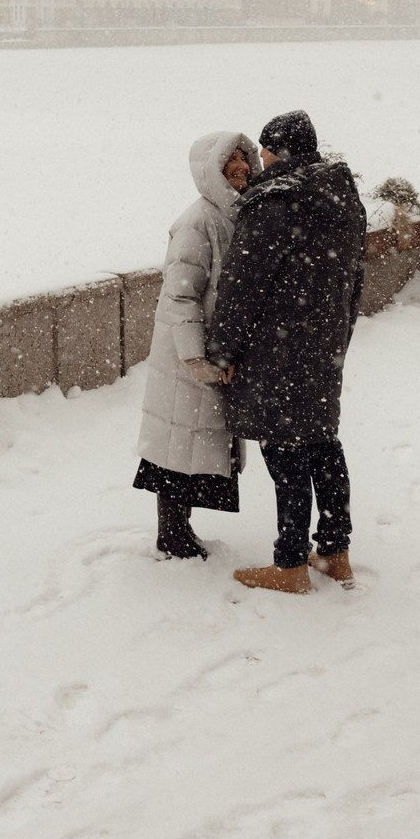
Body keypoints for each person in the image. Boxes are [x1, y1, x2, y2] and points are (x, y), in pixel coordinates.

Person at [206, 109, 368, 595]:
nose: (259, 159)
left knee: (285, 452)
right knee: (322, 444)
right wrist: (338, 336)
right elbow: (355, 280)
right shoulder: (344, 199)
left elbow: (242, 286)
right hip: (323, 346)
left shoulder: (275, 202)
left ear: (279, 149)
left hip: (276, 348)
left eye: (263, 149)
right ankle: (336, 552)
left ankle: (290, 564)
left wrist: (223, 349)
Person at [133, 130, 258, 558]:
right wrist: (193, 355)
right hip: (189, 353)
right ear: (212, 171)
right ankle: (171, 533)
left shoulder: (234, 215)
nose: (241, 166)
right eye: (230, 161)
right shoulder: (198, 221)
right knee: (176, 444)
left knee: (190, 443)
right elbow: (180, 294)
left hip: (213, 349)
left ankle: (178, 529)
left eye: (245, 158)